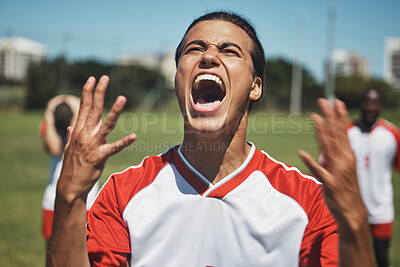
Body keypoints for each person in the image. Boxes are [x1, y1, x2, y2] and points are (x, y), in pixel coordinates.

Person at [46, 11, 373, 266]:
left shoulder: (308, 201)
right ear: (177, 80)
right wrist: (70, 198)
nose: (209, 56)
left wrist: (356, 223)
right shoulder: (123, 193)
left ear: (255, 86)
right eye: (194, 49)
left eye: (230, 51)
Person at [347, 88, 400, 267]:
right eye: (367, 101)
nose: (370, 106)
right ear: (360, 104)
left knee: (382, 259)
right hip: (353, 211)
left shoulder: (392, 134)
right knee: (351, 260)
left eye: (375, 102)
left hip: (381, 210)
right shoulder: (347, 132)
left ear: (380, 105)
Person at [40, 95, 99, 245]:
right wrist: (49, 114)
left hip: (85, 201)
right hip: (54, 200)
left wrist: (78, 112)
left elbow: (76, 143)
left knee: (83, 251)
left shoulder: (89, 128)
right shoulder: (50, 127)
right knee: (53, 251)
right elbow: (54, 148)